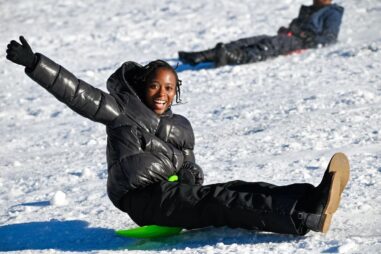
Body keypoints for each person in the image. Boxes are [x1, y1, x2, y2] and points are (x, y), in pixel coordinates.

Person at [6, 36, 350, 235]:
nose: (161, 93)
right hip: (142, 199)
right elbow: (79, 94)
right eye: (155, 85)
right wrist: (36, 63)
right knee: (218, 203)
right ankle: (301, 217)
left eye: (169, 88)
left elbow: (190, 166)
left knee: (232, 189)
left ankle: (311, 198)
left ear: (175, 92)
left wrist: (189, 175)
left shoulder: (181, 126)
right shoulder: (119, 111)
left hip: (171, 192)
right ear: (142, 85)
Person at [178, 0, 344, 67]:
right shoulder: (310, 9)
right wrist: (289, 29)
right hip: (291, 36)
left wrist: (302, 35)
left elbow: (329, 38)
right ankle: (204, 55)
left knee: (269, 45)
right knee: (252, 39)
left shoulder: (332, 13)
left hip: (301, 42)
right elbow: (297, 26)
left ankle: (234, 57)